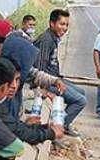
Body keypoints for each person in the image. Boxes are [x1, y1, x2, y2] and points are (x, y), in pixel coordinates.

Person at [34, 8, 87, 137]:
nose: (64, 28)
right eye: (61, 24)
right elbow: (40, 69)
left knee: (81, 92)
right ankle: (60, 126)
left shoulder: (54, 39)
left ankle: (64, 122)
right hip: (48, 82)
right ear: (52, 23)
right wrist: (45, 91)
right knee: (80, 100)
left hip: (55, 78)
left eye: (67, 25)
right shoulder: (46, 40)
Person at [0, 57, 64, 144]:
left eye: (17, 80)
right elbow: (16, 132)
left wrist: (42, 128)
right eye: (10, 80)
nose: (14, 86)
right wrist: (51, 133)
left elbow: (14, 126)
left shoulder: (4, 101)